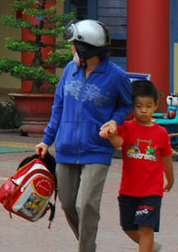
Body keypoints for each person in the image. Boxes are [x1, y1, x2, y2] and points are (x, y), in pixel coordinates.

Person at [35, 19, 133, 252]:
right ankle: (88, 244)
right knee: (69, 204)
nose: (71, 48)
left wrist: (115, 121)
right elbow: (58, 106)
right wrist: (46, 140)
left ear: (85, 48)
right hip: (66, 148)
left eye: (73, 45)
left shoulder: (116, 76)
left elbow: (126, 105)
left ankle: (86, 249)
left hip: (97, 150)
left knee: (86, 204)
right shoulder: (70, 70)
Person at [100, 80, 174, 252]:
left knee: (146, 227)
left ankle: (147, 246)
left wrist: (170, 180)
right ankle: (150, 247)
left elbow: (167, 159)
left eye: (148, 106)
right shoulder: (126, 127)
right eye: (139, 105)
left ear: (156, 106)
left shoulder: (161, 133)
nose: (143, 110)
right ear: (132, 107)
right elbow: (118, 143)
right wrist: (111, 135)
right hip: (128, 190)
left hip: (151, 192)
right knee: (128, 227)